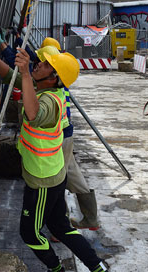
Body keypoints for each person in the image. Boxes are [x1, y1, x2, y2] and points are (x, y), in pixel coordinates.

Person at [0, 30, 109, 272]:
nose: (39, 63)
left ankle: (56, 269)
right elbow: (9, 75)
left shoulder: (50, 101)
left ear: (54, 77)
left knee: (29, 233)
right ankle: (98, 267)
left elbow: (33, 114)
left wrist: (27, 73)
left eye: (46, 64)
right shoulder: (40, 88)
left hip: (43, 182)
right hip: (54, 174)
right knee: (62, 228)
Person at [38, 39, 100, 231]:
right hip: (66, 134)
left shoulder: (52, 84)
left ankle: (60, 226)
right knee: (71, 174)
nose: (39, 64)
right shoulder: (61, 76)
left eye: (44, 62)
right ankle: (90, 218)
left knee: (56, 180)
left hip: (60, 137)